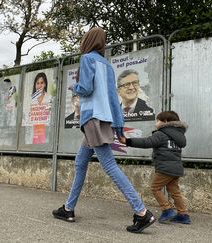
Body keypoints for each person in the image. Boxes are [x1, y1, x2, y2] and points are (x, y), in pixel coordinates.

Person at [52, 27, 156, 234]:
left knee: (108, 165)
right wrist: (118, 126)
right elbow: (112, 98)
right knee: (80, 162)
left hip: (92, 119)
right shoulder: (107, 66)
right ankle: (68, 208)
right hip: (104, 119)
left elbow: (86, 89)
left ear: (87, 40)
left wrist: (75, 88)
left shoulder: (87, 59)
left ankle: (142, 212)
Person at [125, 111, 191, 224]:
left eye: (157, 120)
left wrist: (128, 141)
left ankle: (167, 210)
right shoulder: (178, 135)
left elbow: (147, 142)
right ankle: (183, 215)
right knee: (175, 191)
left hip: (164, 168)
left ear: (165, 122)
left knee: (155, 188)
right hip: (176, 168)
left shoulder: (161, 134)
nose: (156, 122)